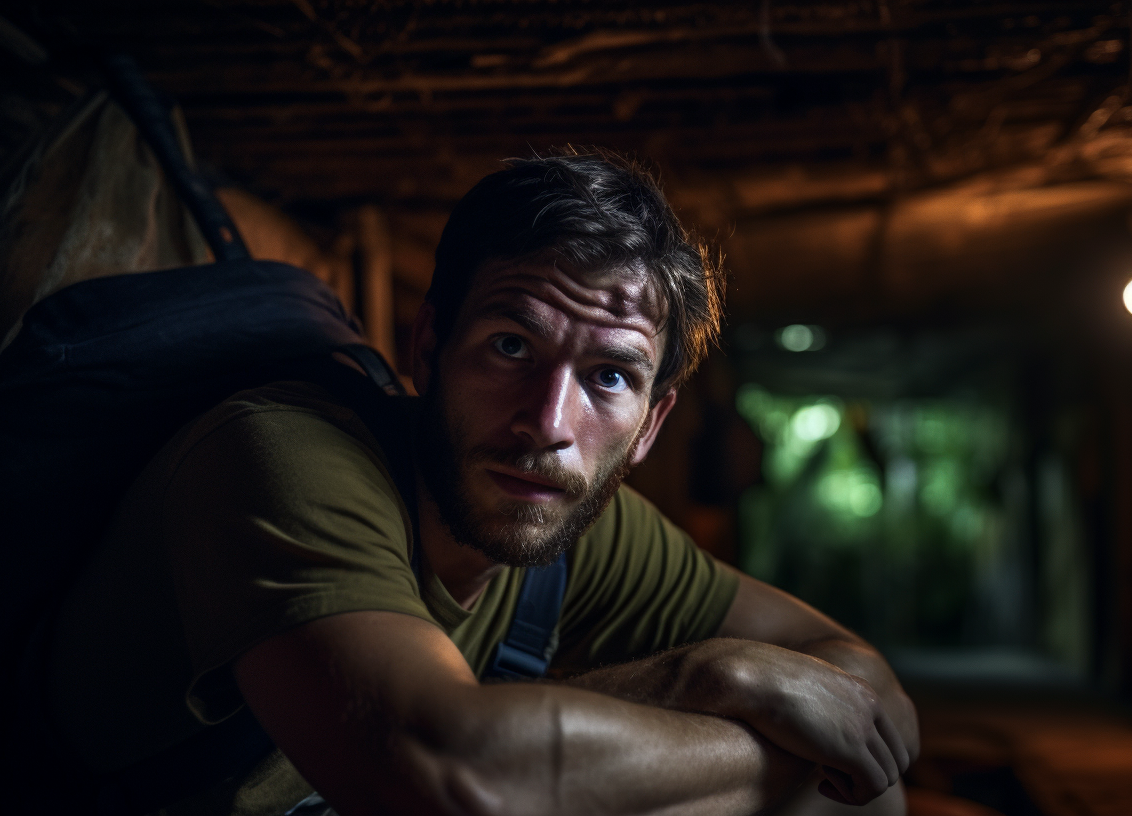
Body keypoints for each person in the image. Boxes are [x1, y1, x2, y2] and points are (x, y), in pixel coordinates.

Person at [46, 151, 919, 816]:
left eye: (609, 378)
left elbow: (874, 701)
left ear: (651, 424)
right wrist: (711, 679)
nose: (547, 422)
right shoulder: (282, 460)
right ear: (427, 348)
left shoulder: (577, 517)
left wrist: (806, 746)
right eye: (511, 347)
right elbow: (444, 775)